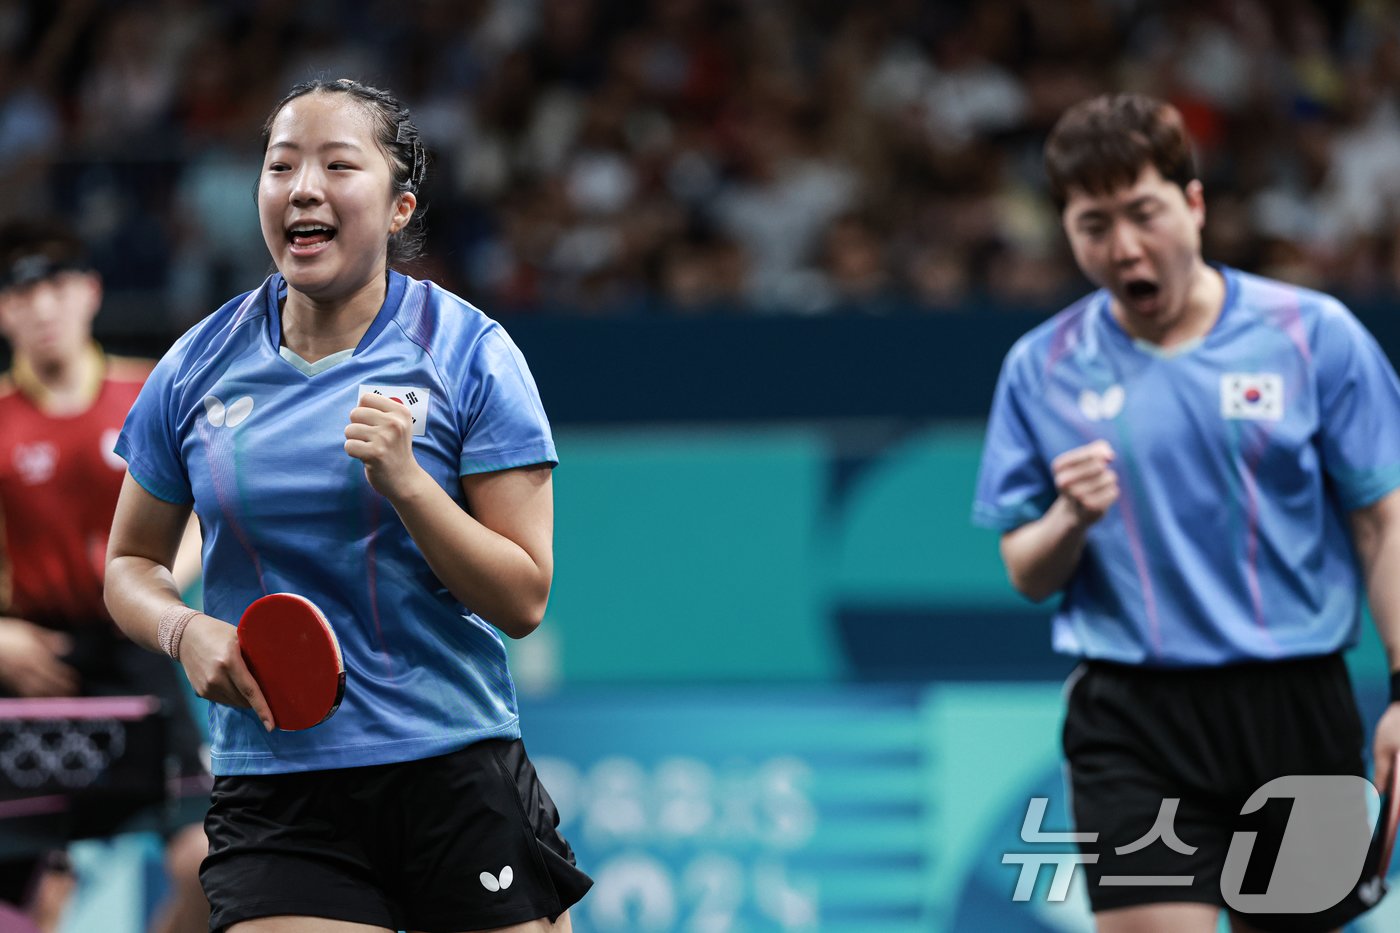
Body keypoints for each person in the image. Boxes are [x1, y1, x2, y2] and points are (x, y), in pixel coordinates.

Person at [104, 77, 591, 933]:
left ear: (400, 207)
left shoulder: (472, 353)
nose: (302, 188)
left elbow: (523, 598)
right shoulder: (196, 365)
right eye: (280, 165)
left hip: (451, 765)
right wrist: (184, 629)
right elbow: (129, 566)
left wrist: (409, 485)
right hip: (280, 785)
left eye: (338, 164)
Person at [972, 92, 1400, 933]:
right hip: (1134, 719)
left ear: (1194, 205)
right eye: (1095, 225)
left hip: (1294, 709)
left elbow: (1382, 522)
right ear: (1067, 231)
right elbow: (1027, 570)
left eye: (1145, 213)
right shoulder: (1040, 368)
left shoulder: (1314, 336)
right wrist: (1068, 517)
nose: (1125, 247)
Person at [0, 219, 210, 933]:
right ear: (4, 312)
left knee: (210, 861)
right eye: (22, 292)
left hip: (138, 652)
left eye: (57, 286)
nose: (42, 306)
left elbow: (203, 518)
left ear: (90, 294)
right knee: (32, 898)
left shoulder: (148, 391)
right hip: (32, 664)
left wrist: (154, 592)